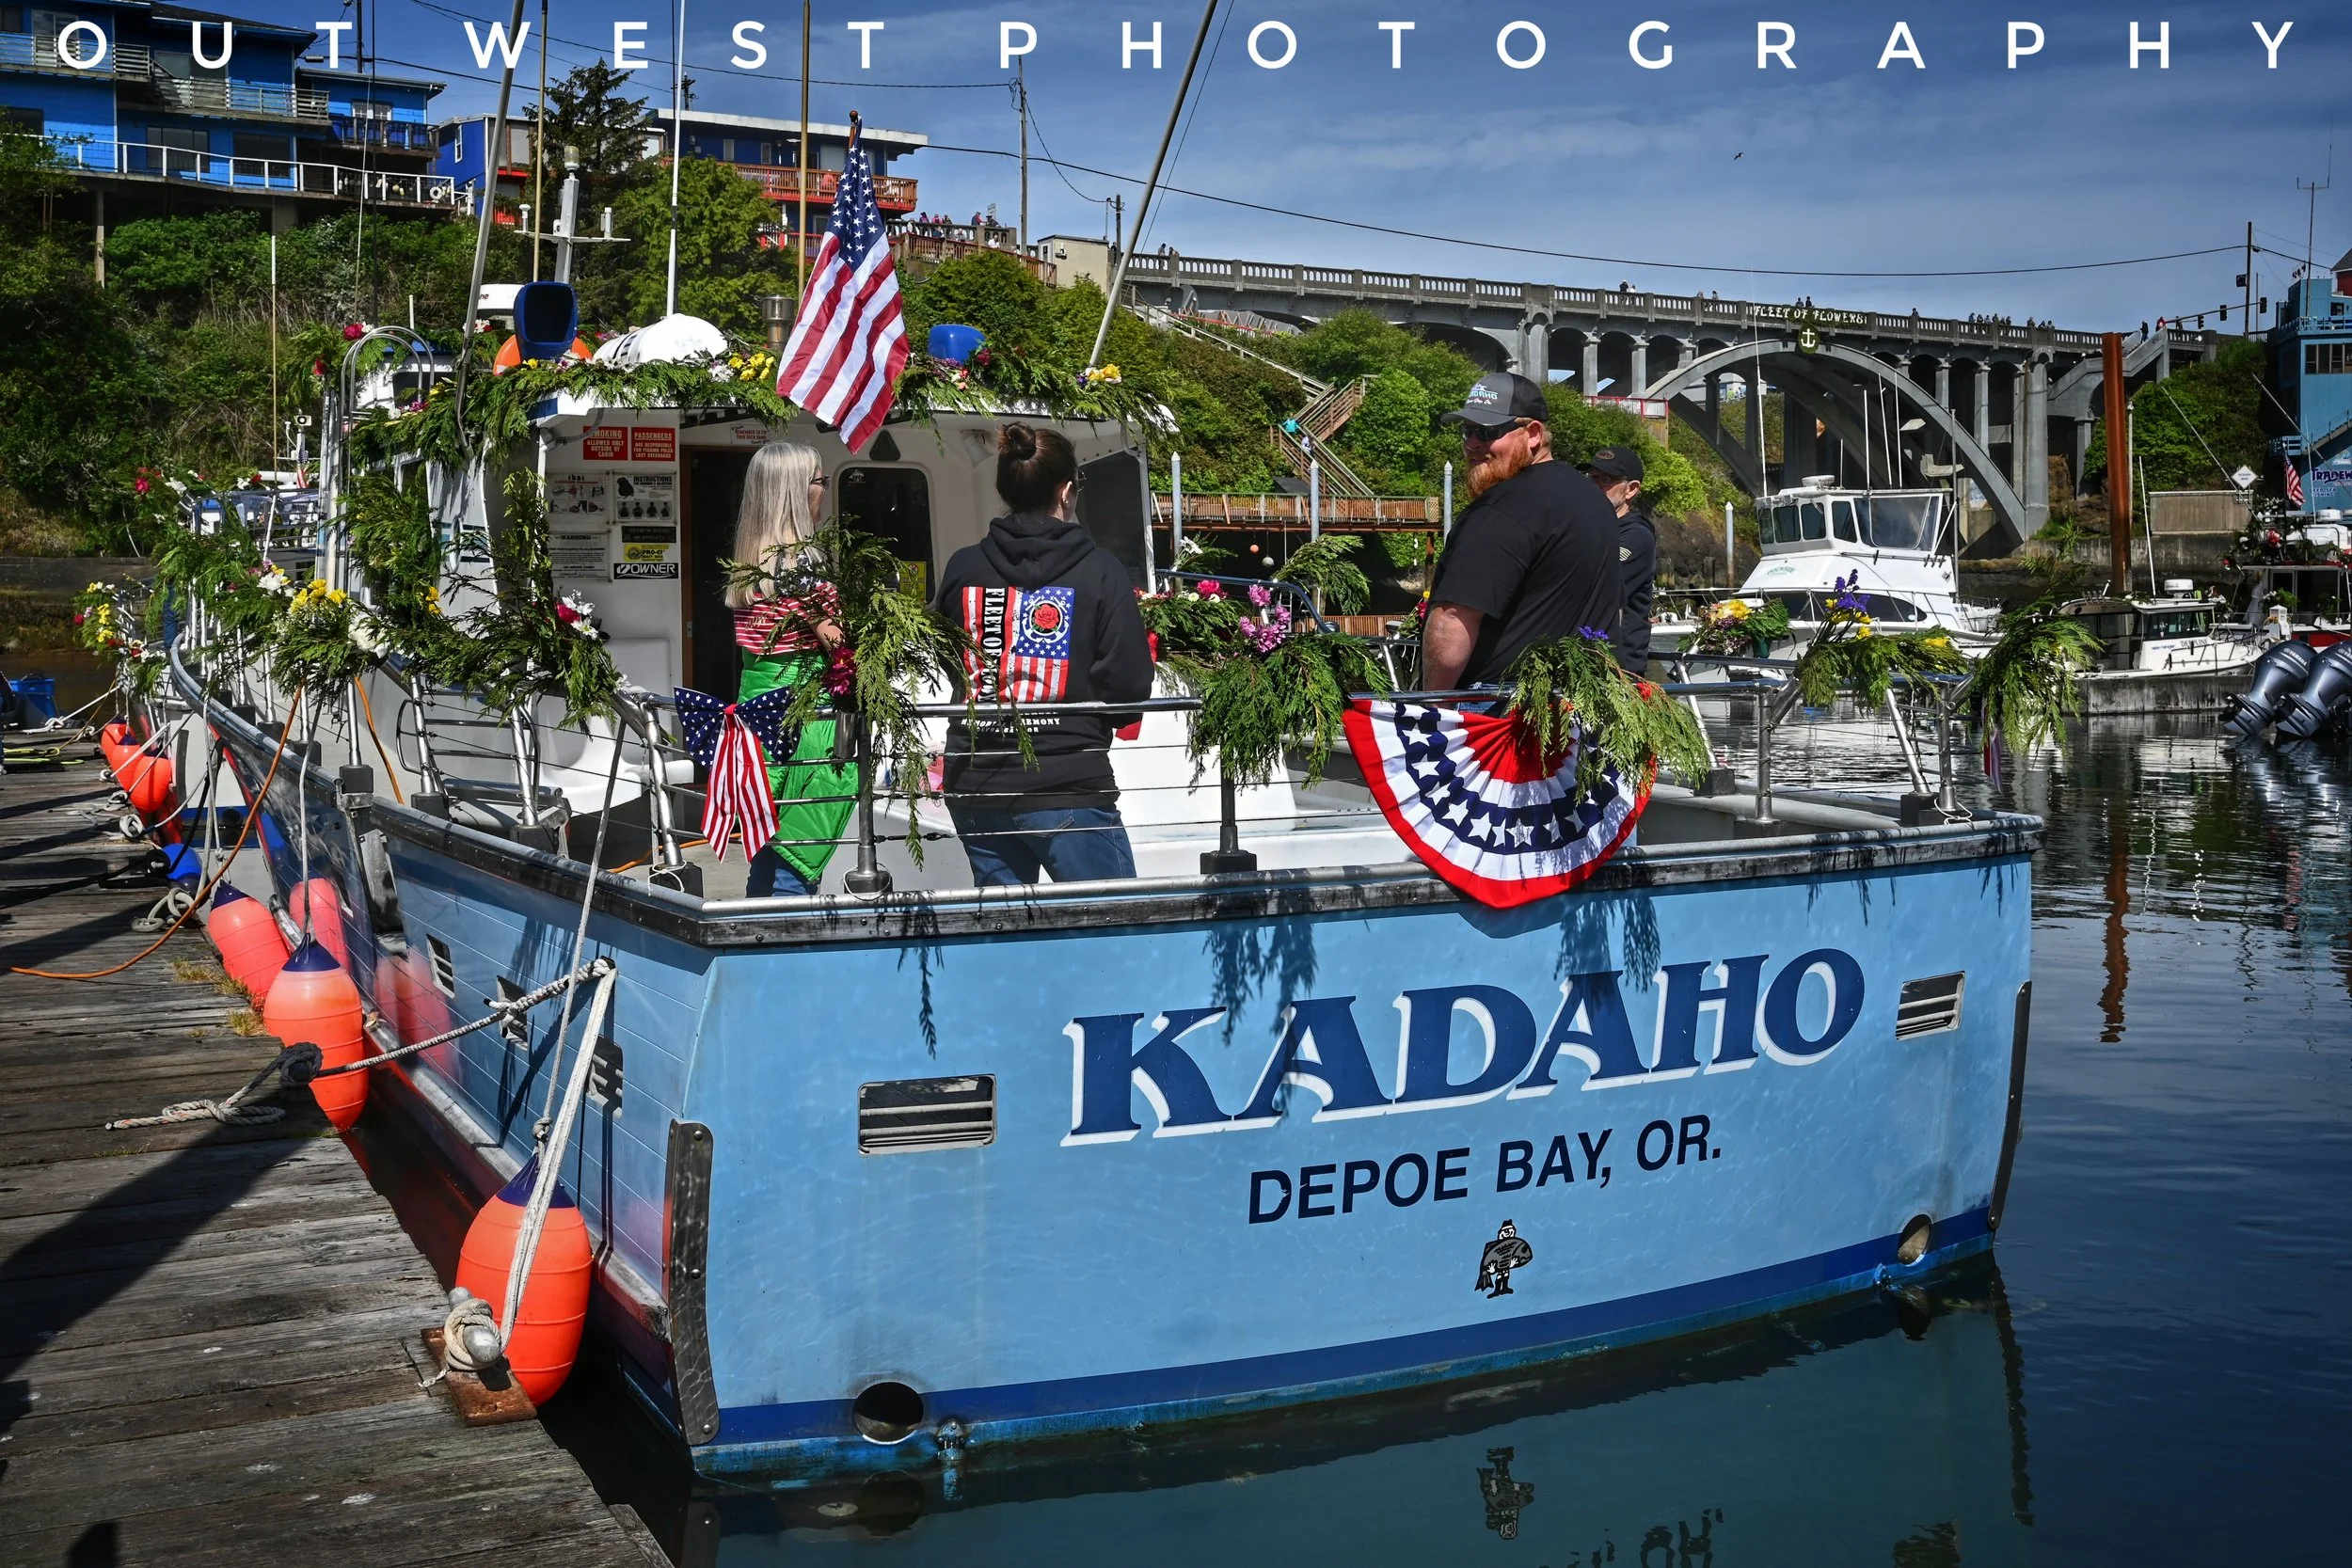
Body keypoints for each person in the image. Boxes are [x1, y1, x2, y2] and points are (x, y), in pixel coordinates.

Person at [934, 423, 1153, 885]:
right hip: (1066, 780)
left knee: (1004, 938)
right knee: (1119, 928)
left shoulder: (963, 566)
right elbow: (1129, 685)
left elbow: (948, 657)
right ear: (1068, 491)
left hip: (976, 781)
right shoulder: (1101, 571)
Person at [1422, 372, 1623, 689]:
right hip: (1584, 707)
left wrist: (1432, 705)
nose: (1472, 444)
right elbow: (1615, 613)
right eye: (1467, 431)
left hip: (1501, 711)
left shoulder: (1500, 510)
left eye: (1487, 431)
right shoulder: (1596, 503)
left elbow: (1452, 619)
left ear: (1532, 433)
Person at [726, 441, 855, 898]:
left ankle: (752, 937)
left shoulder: (752, 564)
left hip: (758, 719)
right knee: (799, 849)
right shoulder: (802, 570)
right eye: (820, 481)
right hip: (805, 722)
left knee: (768, 847)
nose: (825, 491)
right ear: (795, 493)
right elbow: (840, 648)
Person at [1582, 446, 1657, 676]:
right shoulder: (1589, 530)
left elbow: (1597, 582)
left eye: (1605, 480)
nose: (1595, 486)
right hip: (1585, 665)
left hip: (1619, 672)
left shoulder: (1636, 536)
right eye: (1591, 478)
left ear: (1631, 489)